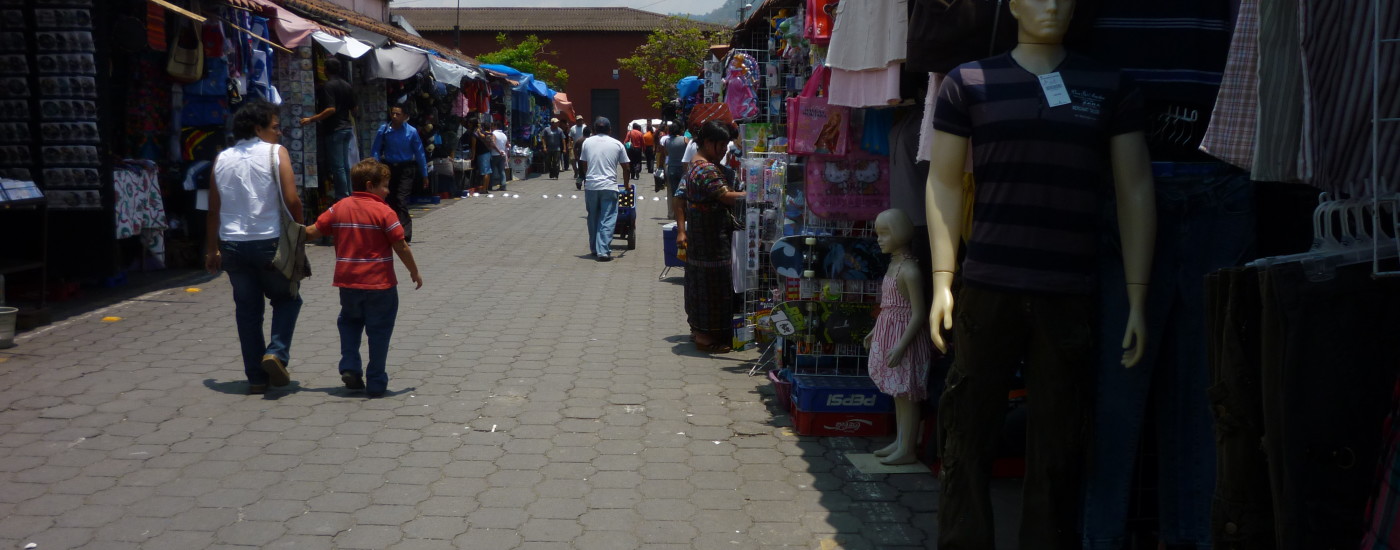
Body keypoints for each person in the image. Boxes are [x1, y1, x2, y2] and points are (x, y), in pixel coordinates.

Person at [922, 0, 1156, 547]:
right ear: (1012, 4)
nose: (1050, 5)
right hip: (986, 286)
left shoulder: (1110, 85)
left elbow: (1135, 190)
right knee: (967, 436)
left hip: (1068, 292)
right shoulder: (969, 81)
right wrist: (941, 280)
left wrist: (1137, 297)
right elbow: (944, 183)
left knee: (1057, 448)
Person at [205, 100, 303, 395]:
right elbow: (292, 199)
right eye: (274, 127)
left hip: (232, 245)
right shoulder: (275, 153)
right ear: (258, 128)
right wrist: (299, 231)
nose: (279, 132)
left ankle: (256, 378)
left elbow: (213, 208)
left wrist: (212, 249)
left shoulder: (222, 158)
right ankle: (276, 353)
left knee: (247, 312)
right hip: (269, 241)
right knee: (287, 299)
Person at [304, 159, 423, 398]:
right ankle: (376, 382)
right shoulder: (384, 211)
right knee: (379, 331)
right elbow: (400, 244)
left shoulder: (339, 207)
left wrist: (286, 228)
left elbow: (312, 232)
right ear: (370, 185)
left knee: (349, 323)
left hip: (347, 283)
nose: (388, 191)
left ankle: (350, 366)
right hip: (380, 284)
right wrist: (414, 271)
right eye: (385, 186)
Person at [864, 209, 934, 466]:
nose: (880, 239)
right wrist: (875, 331)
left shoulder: (910, 271)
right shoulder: (895, 265)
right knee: (897, 392)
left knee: (907, 393)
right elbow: (889, 305)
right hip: (889, 332)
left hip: (905, 338)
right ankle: (901, 440)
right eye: (878, 234)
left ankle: (907, 447)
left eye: (885, 233)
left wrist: (901, 346)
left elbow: (918, 314)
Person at [676, 120, 744, 352]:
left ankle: (700, 331)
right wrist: (755, 192)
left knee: (701, 284)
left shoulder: (695, 165)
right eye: (721, 145)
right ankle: (706, 337)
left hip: (703, 237)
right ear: (707, 143)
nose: (724, 150)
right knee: (713, 287)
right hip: (711, 239)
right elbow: (725, 196)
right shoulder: (705, 168)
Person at [369, 104, 428, 243]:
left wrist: (424, 174)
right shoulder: (384, 130)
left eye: (398, 114)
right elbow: (376, 149)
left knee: (401, 200)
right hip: (388, 168)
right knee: (389, 200)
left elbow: (419, 153)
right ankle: (391, 230)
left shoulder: (411, 132)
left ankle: (405, 234)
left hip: (406, 169)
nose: (394, 116)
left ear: (405, 116)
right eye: (393, 113)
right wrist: (375, 167)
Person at [299, 58, 355, 200]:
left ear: (326, 70)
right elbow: (355, 108)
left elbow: (331, 109)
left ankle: (343, 196)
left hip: (335, 129)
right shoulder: (347, 85)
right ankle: (349, 192)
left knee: (338, 166)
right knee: (345, 164)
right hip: (347, 127)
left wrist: (311, 119)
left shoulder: (329, 86)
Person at [577, 117, 630, 262]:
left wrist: (588, 178)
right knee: (607, 218)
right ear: (610, 130)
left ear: (594, 130)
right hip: (609, 186)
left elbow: (584, 163)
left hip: (591, 186)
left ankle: (594, 248)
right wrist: (626, 185)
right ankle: (603, 251)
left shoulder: (587, 142)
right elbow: (626, 167)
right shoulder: (617, 144)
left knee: (593, 217)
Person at [659, 122, 689, 220]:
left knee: (674, 193)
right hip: (683, 168)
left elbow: (666, 154)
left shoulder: (667, 141)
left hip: (671, 168)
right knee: (684, 191)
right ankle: (683, 214)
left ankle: (676, 215)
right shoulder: (685, 140)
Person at [472, 118, 499, 194]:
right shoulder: (491, 134)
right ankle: (485, 188)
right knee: (488, 171)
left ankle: (484, 189)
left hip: (483, 154)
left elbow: (481, 136)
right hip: (488, 153)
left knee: (485, 172)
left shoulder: (484, 135)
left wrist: (478, 131)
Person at [491, 123, 509, 191]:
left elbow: (493, 143)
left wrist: (498, 151)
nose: (491, 127)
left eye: (492, 126)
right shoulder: (504, 135)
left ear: (495, 126)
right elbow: (508, 144)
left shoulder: (494, 133)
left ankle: (490, 185)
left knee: (492, 170)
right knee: (501, 171)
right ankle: (503, 185)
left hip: (495, 154)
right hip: (503, 155)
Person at [569, 115, 587, 181]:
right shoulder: (573, 128)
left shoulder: (585, 127)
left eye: (581, 120)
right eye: (578, 120)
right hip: (575, 146)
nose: (580, 121)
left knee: (582, 160)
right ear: (576, 121)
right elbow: (570, 137)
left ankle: (581, 173)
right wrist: (570, 145)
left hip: (584, 146)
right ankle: (576, 171)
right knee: (573, 160)